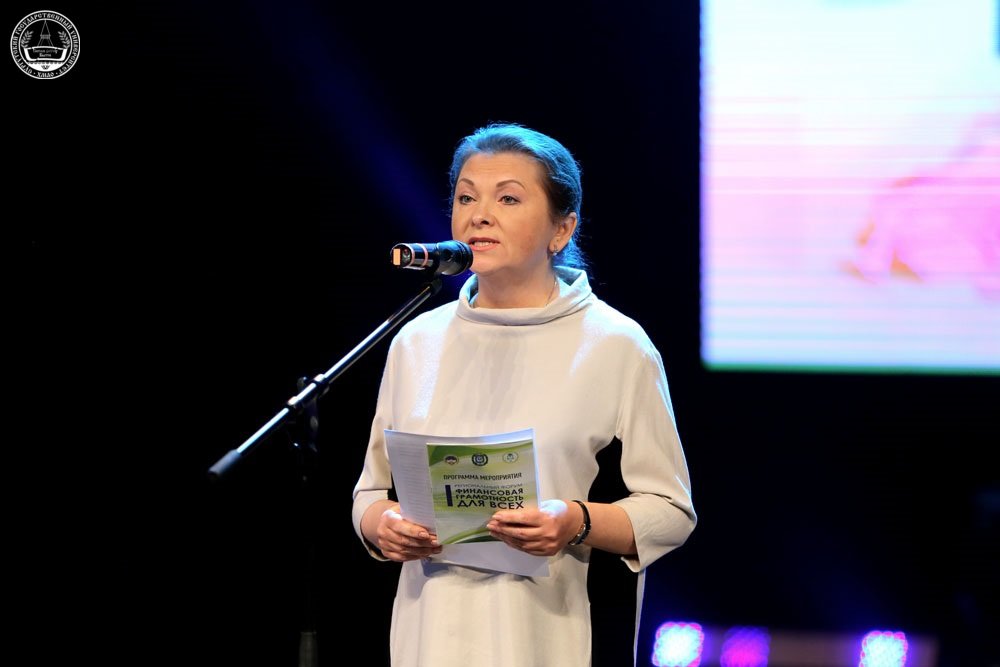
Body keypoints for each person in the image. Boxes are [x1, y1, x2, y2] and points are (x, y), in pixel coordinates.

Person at [352, 122, 696, 667]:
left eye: (508, 198)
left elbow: (671, 511)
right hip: (427, 635)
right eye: (466, 197)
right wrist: (383, 526)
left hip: (546, 635)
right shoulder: (416, 340)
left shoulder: (616, 344)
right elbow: (369, 493)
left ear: (562, 229)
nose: (479, 215)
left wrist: (574, 521)